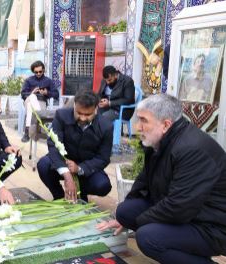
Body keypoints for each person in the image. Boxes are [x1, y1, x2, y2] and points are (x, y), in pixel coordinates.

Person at [96, 94, 226, 263]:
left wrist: (139, 223)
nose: (137, 127)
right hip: (188, 212)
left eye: (143, 120)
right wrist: (124, 219)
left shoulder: (192, 149)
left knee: (148, 238)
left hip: (212, 225)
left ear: (165, 124)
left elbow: (179, 207)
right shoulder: (159, 140)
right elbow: (143, 181)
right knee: (125, 212)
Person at [37, 88, 113, 202]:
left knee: (103, 185)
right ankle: (59, 196)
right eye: (79, 113)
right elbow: (54, 144)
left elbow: (103, 158)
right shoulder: (61, 115)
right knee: (43, 165)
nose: (82, 118)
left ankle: (80, 194)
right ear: (74, 106)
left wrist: (80, 168)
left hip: (86, 168)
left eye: (87, 114)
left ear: (96, 109)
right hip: (64, 162)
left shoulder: (106, 126)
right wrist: (66, 174)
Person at [20, 60, 59, 142]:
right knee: (32, 98)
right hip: (29, 100)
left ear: (43, 70)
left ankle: (27, 131)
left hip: (41, 101)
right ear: (33, 71)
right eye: (36, 72)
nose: (38, 74)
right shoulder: (28, 80)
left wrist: (46, 92)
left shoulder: (48, 81)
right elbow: (23, 94)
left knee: (30, 108)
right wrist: (32, 92)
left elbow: (56, 94)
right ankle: (40, 125)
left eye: (40, 71)